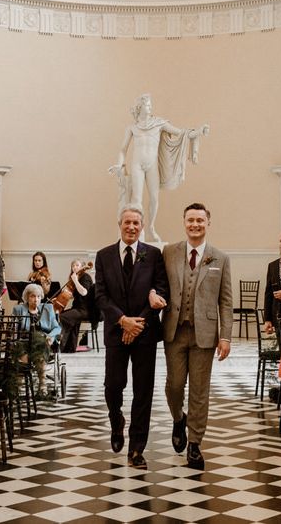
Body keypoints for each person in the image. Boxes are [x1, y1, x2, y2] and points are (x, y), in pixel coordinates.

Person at [94, 206, 169, 469]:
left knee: (143, 391)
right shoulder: (103, 256)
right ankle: (116, 421)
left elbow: (161, 289)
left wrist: (138, 323)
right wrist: (122, 320)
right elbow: (100, 296)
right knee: (113, 386)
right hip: (116, 332)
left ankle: (137, 448)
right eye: (127, 222)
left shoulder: (153, 254)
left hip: (145, 332)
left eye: (136, 223)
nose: (132, 227)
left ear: (142, 225)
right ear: (119, 224)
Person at [162, 203, 233, 470]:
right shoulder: (169, 252)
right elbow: (159, 284)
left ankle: (194, 443)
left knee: (200, 391)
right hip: (174, 330)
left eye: (200, 220)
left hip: (204, 334)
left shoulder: (220, 258)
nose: (195, 225)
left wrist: (225, 337)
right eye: (191, 220)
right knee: (175, 385)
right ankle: (178, 418)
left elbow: (226, 301)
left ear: (208, 223)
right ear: (184, 222)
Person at [109, 94, 209, 242]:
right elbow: (123, 149)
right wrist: (119, 164)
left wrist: (199, 132)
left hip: (152, 164)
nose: (150, 107)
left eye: (150, 105)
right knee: (136, 199)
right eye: (147, 105)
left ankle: (151, 228)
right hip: (136, 164)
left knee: (154, 199)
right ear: (140, 107)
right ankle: (139, 233)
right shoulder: (132, 127)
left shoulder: (159, 123)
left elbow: (181, 133)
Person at [11, 283, 61, 394]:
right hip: (24, 342)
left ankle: (42, 385)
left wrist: (50, 336)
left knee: (41, 350)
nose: (36, 299)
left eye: (38, 296)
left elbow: (57, 328)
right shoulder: (19, 310)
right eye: (33, 296)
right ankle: (19, 385)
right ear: (27, 298)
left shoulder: (47, 308)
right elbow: (13, 329)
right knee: (20, 352)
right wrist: (14, 340)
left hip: (42, 342)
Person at [58, 259, 98, 353]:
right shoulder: (77, 278)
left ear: (82, 267)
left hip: (86, 310)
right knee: (64, 315)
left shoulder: (85, 277)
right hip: (78, 309)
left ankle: (59, 347)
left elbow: (84, 293)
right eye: (73, 266)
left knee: (63, 317)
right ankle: (69, 348)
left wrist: (75, 281)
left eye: (77, 265)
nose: (74, 267)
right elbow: (75, 295)